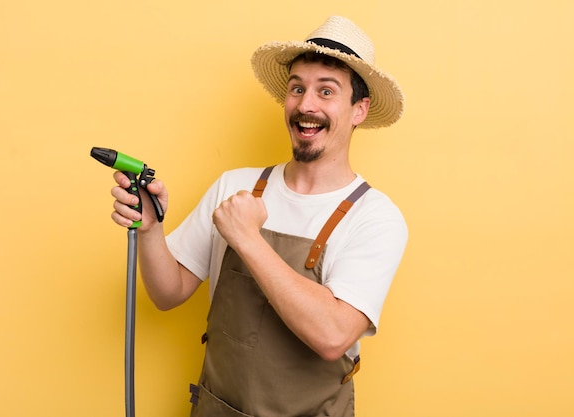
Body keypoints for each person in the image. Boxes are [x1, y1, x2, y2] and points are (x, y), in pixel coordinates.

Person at [110, 15, 408, 417]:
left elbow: (333, 335)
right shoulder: (234, 186)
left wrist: (248, 237)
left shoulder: (376, 218)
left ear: (359, 109)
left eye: (326, 91)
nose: (306, 105)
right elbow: (168, 293)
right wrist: (150, 229)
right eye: (297, 88)